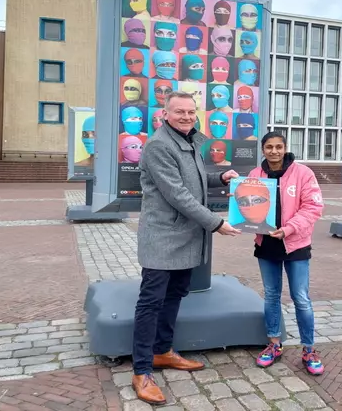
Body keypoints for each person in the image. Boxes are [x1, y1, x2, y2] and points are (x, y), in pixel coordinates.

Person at [132, 91, 242, 405]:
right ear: (165, 114)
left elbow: (192, 178)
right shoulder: (158, 145)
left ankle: (162, 351)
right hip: (163, 238)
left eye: (191, 112)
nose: (187, 117)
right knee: (150, 302)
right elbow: (177, 193)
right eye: (180, 112)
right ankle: (142, 370)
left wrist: (220, 176)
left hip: (185, 236)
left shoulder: (188, 140)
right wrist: (216, 223)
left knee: (175, 294)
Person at [243, 132, 325, 376]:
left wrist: (289, 229)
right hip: (267, 244)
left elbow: (313, 207)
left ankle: (309, 349)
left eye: (279, 147)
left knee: (301, 297)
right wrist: (242, 213)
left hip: (296, 244)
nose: (274, 151)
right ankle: (274, 344)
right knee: (270, 295)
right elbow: (247, 205)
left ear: (285, 148)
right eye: (269, 147)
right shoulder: (255, 176)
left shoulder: (303, 173)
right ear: (263, 149)